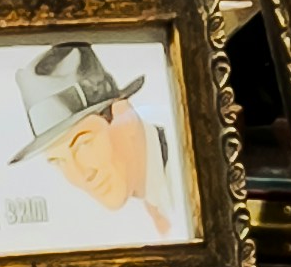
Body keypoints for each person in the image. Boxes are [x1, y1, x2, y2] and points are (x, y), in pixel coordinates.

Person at [12, 34, 177, 243]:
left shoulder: (188, 172)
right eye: (59, 161)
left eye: (83, 144)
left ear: (123, 115)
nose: (81, 175)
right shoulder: (150, 201)